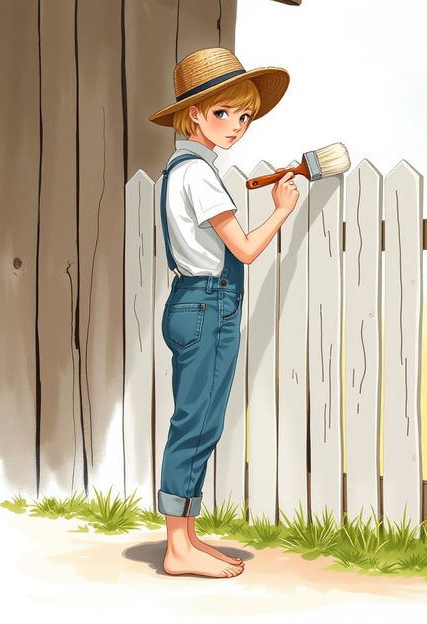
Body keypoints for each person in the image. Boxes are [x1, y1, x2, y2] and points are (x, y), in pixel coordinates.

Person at [148, 47, 299, 578]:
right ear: (193, 114)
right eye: (223, 113)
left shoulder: (181, 170)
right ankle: (178, 548)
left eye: (244, 116)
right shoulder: (200, 175)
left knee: (198, 421)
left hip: (193, 302)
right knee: (195, 425)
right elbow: (245, 250)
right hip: (207, 303)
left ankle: (186, 537)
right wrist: (282, 211)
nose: (236, 126)